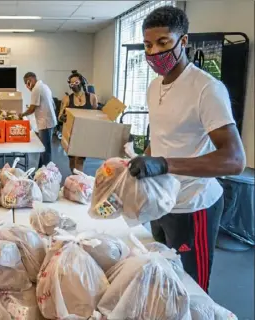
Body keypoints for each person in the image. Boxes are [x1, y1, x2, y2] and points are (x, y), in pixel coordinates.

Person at [129, 6, 246, 293]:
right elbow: (161, 137)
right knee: (162, 279)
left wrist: (164, 164)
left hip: (194, 205)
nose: (154, 52)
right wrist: (140, 162)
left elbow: (234, 160)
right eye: (148, 45)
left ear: (183, 41)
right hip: (161, 201)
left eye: (163, 43)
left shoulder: (206, 89)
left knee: (190, 289)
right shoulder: (154, 87)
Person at [59, 70, 99, 172]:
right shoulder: (67, 99)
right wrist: (62, 117)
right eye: (71, 84)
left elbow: (96, 115)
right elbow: (60, 116)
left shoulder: (92, 97)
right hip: (71, 134)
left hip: (85, 134)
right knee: (72, 160)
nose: (74, 86)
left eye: (76, 83)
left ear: (82, 82)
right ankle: (73, 177)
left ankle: (78, 182)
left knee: (80, 159)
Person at [21, 72, 58, 167]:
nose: (26, 85)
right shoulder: (44, 86)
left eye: (27, 82)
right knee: (44, 147)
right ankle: (41, 168)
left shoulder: (36, 89)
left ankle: (46, 173)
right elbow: (53, 105)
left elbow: (32, 108)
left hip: (45, 123)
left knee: (45, 149)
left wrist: (21, 114)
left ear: (30, 80)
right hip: (49, 121)